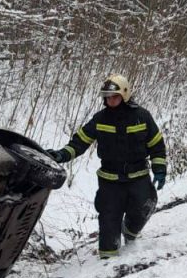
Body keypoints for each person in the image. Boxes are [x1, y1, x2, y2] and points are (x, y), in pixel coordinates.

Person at [47, 74, 167, 259]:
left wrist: (159, 169)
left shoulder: (142, 117)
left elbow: (157, 145)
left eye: (115, 96)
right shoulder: (100, 119)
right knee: (109, 220)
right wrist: (63, 154)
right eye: (108, 97)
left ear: (125, 95)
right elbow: (80, 141)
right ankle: (107, 263)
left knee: (145, 206)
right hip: (110, 180)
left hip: (139, 176)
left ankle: (129, 231)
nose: (111, 100)